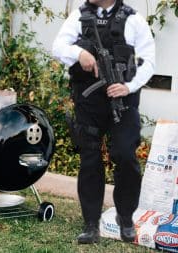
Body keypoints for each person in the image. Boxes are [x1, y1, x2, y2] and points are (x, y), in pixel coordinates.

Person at [52, 0, 155, 244]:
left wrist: (128, 86)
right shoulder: (80, 15)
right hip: (89, 101)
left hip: (123, 99)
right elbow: (57, 46)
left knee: (126, 156)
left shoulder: (133, 19)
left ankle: (126, 217)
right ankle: (90, 224)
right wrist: (80, 53)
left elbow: (148, 61)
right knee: (89, 158)